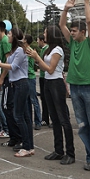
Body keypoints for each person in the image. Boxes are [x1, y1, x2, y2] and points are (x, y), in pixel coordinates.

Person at [59, 0, 90, 173]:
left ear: (83, 33)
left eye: (74, 31)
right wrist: (65, 9)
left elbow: (89, 21)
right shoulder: (72, 43)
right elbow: (61, 24)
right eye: (70, 31)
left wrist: (86, 2)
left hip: (89, 87)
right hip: (75, 87)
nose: (71, 33)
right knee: (83, 126)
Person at [27, 25, 75, 164]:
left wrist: (37, 57)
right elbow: (43, 68)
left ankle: (70, 152)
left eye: (46, 33)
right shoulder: (48, 49)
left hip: (56, 83)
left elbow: (50, 68)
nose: (44, 34)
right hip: (48, 83)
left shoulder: (58, 49)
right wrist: (36, 58)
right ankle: (58, 150)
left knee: (63, 118)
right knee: (54, 117)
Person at [0, 28, 33, 158]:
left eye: (9, 34)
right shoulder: (15, 50)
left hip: (21, 84)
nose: (8, 35)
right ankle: (29, 146)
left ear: (14, 36)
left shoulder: (20, 50)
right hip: (16, 84)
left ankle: (26, 146)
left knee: (18, 116)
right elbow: (9, 63)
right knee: (23, 116)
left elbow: (13, 66)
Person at [0, 21, 17, 147]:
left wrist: (1, 78)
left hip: (8, 79)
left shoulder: (4, 41)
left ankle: (12, 134)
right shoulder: (2, 41)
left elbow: (8, 61)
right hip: (6, 78)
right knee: (5, 106)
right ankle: (12, 135)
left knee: (6, 106)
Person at [24, 34, 43, 130]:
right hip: (26, 77)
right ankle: (29, 120)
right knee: (27, 100)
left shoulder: (29, 51)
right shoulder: (25, 50)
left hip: (30, 77)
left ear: (26, 41)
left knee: (33, 99)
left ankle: (38, 121)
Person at [37, 35, 51, 128]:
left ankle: (46, 118)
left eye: (38, 40)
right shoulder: (43, 49)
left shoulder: (46, 49)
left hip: (45, 76)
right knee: (44, 98)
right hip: (43, 76)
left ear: (42, 40)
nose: (37, 42)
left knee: (48, 99)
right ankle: (45, 118)